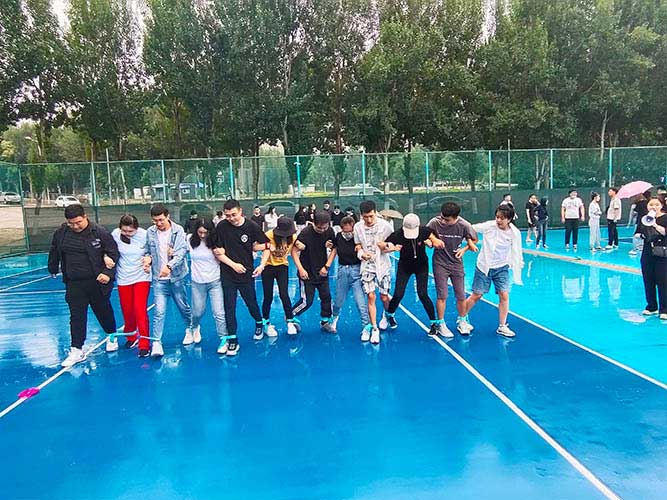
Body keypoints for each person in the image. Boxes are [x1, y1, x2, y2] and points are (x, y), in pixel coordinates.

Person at [48, 204, 119, 367]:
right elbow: (54, 250)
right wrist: (52, 267)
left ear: (85, 217)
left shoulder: (100, 232)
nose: (75, 226)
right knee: (76, 316)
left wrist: (107, 273)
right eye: (71, 223)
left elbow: (113, 253)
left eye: (78, 222)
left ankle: (111, 336)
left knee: (103, 311)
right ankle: (76, 349)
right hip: (74, 282)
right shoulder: (61, 233)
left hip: (97, 282)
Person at [214, 199, 269, 356]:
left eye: (233, 215)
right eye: (227, 215)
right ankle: (232, 339)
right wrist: (233, 265)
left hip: (246, 273)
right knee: (229, 307)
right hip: (228, 274)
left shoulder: (252, 226)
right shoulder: (222, 226)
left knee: (251, 303)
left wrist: (261, 265)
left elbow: (267, 246)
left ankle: (259, 322)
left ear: (240, 212)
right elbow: (217, 251)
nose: (231, 218)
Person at [463, 205, 524, 337]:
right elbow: (470, 228)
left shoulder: (515, 233)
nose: (498, 220)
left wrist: (518, 262)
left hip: (502, 268)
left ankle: (502, 326)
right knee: (477, 295)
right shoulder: (489, 226)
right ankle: (462, 319)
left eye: (502, 218)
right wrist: (470, 242)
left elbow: (517, 249)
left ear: (509, 219)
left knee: (504, 295)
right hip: (484, 266)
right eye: (497, 217)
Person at [145, 203, 193, 358]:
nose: (158, 223)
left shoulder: (178, 231)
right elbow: (147, 250)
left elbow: (181, 253)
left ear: (168, 217)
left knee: (183, 307)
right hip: (159, 279)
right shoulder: (150, 232)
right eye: (155, 220)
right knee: (159, 311)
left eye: (161, 220)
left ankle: (190, 328)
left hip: (176, 278)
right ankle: (156, 342)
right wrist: (147, 259)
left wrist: (169, 266)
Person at [385, 214, 444, 335]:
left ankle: (434, 323)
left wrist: (434, 241)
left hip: (421, 266)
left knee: (423, 294)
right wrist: (391, 247)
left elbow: (432, 237)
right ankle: (389, 315)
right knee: (398, 294)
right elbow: (385, 245)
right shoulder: (397, 235)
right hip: (404, 267)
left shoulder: (424, 231)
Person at [427, 202, 478, 336]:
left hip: (456, 264)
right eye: (442, 217)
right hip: (440, 263)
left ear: (456, 217)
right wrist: (432, 240)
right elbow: (425, 233)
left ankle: (462, 321)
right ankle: (441, 323)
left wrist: (465, 249)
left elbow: (474, 239)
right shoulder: (435, 222)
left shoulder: (464, 225)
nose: (443, 221)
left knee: (461, 295)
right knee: (442, 295)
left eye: (447, 220)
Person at [107, 214, 152, 357]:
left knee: (140, 310)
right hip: (123, 277)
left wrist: (148, 259)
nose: (127, 233)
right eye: (124, 231)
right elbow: (107, 250)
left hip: (142, 276)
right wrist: (106, 257)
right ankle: (131, 336)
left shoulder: (145, 235)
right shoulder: (115, 235)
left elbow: (152, 252)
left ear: (136, 228)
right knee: (127, 310)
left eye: (130, 231)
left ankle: (144, 343)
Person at [354, 200, 394, 344]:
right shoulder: (358, 227)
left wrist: (386, 246)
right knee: (371, 296)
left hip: (383, 266)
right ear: (361, 215)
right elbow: (358, 245)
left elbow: (393, 245)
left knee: (384, 297)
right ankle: (374, 328)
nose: (369, 220)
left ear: (376, 212)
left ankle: (388, 315)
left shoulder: (386, 226)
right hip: (367, 267)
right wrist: (361, 254)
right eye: (365, 217)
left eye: (371, 216)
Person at [291, 211, 337, 332]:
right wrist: (301, 269)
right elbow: (294, 251)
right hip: (307, 273)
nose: (322, 230)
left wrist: (327, 266)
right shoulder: (306, 233)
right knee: (307, 301)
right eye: (319, 228)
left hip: (322, 271)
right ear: (314, 223)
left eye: (325, 227)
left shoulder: (330, 231)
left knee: (326, 297)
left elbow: (334, 249)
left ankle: (325, 321)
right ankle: (290, 316)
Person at [187, 218, 227, 347]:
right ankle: (194, 327)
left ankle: (224, 338)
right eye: (200, 232)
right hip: (197, 282)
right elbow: (179, 252)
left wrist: (223, 252)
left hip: (215, 281)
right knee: (197, 312)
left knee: (219, 313)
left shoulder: (216, 241)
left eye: (206, 232)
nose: (203, 235)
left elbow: (224, 256)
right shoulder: (189, 240)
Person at [330, 216, 370, 335]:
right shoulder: (338, 237)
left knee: (360, 302)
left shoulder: (358, 237)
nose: (348, 233)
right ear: (342, 228)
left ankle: (366, 326)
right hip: (342, 271)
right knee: (338, 300)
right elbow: (333, 247)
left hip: (357, 271)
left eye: (350, 230)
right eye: (345, 230)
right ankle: (334, 318)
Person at [260, 216, 299, 336]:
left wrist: (300, 246)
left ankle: (290, 321)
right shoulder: (269, 235)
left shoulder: (293, 237)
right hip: (268, 266)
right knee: (268, 296)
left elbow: (295, 249)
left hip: (282, 266)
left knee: (284, 294)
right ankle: (266, 322)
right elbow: (256, 246)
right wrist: (266, 247)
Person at [639, 197, 667, 319]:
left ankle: (664, 309)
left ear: (661, 206)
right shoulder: (644, 218)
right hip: (647, 253)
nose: (653, 207)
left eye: (656, 204)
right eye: (651, 204)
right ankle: (651, 306)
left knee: (663, 281)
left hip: (662, 254)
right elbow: (639, 233)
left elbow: (665, 232)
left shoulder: (665, 218)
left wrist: (654, 224)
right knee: (648, 280)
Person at [630, 190, 651, 256]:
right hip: (649, 221)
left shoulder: (640, 203)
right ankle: (643, 248)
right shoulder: (650, 202)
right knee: (646, 234)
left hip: (639, 221)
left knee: (636, 235)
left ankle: (635, 249)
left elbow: (635, 213)